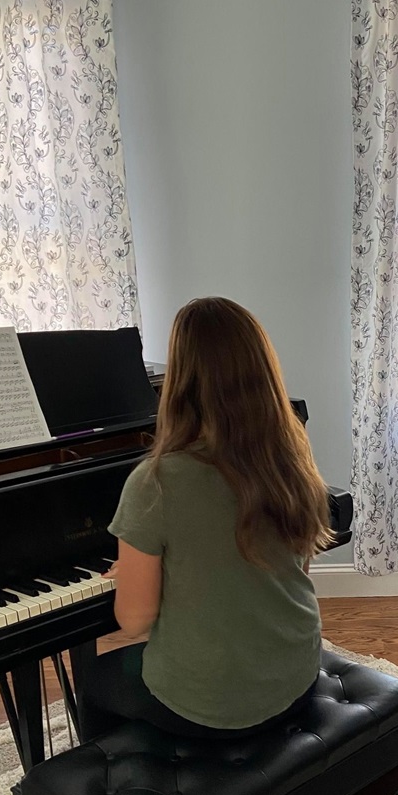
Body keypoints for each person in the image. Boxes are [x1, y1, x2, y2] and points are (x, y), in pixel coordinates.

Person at [76, 296, 331, 742]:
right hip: (299, 674)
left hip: (210, 709)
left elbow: (133, 622)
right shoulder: (290, 456)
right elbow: (292, 570)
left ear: (180, 379)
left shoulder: (154, 482)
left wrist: (137, 574)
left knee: (94, 682)